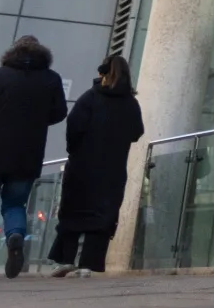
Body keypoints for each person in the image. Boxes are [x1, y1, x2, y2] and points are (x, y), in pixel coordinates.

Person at [0, 36, 67, 283]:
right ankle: (15, 235)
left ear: (12, 52)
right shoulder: (51, 79)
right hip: (26, 156)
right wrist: (37, 121)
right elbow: (60, 112)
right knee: (15, 205)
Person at [49, 55, 145, 278]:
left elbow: (73, 127)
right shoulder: (131, 103)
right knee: (103, 213)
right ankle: (89, 264)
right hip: (112, 166)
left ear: (102, 72)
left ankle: (65, 259)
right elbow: (136, 132)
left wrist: (75, 150)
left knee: (73, 209)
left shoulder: (90, 97)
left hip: (83, 164)